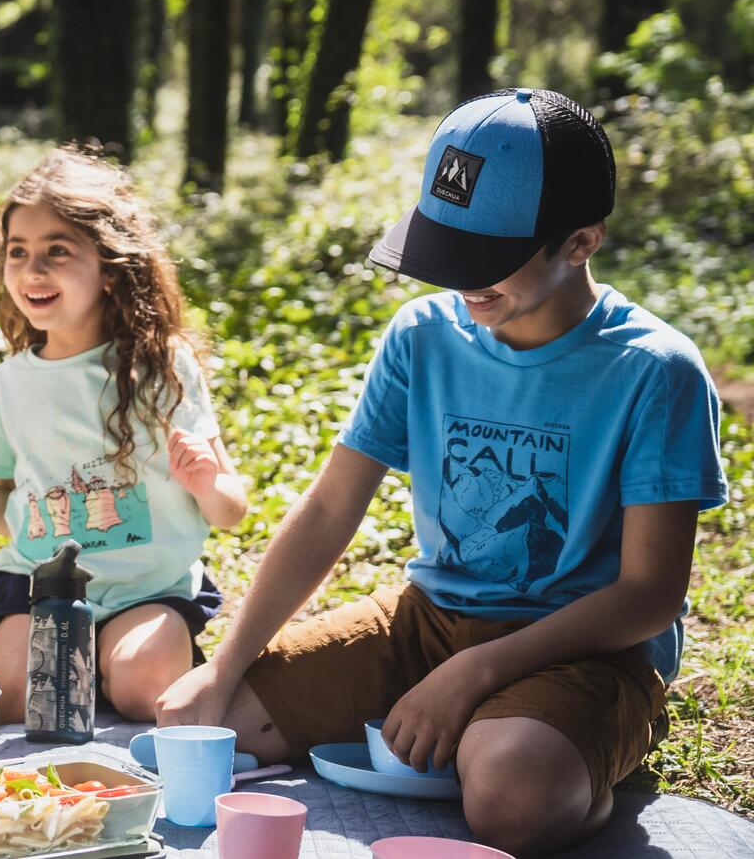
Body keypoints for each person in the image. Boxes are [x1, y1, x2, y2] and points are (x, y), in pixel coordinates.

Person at [155, 89, 727, 854]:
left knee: (512, 797)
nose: (460, 281)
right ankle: (466, 736)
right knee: (212, 725)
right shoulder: (422, 335)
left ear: (581, 242)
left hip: (587, 650)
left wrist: (474, 676)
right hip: (429, 621)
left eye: (486, 260)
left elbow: (650, 595)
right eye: (443, 250)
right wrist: (222, 667)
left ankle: (549, 747)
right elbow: (329, 512)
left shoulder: (655, 371)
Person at [0, 149, 248, 723]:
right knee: (7, 704)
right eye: (17, 252)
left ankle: (95, 664)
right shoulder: (10, 384)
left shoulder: (161, 366)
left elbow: (230, 511)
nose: (32, 271)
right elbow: (15, 520)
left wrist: (206, 482)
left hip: (148, 590)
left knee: (148, 692)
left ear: (112, 265)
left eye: (57, 252)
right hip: (42, 586)